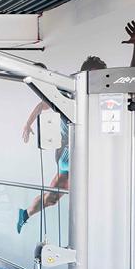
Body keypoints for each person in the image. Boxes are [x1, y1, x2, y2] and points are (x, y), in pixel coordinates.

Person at [17, 56, 107, 233]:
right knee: (81, 189)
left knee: (52, 198)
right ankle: (86, 231)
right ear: (85, 74)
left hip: (84, 150)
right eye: (95, 75)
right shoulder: (70, 90)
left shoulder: (100, 96)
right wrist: (28, 123)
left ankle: (25, 214)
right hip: (70, 151)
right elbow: (43, 104)